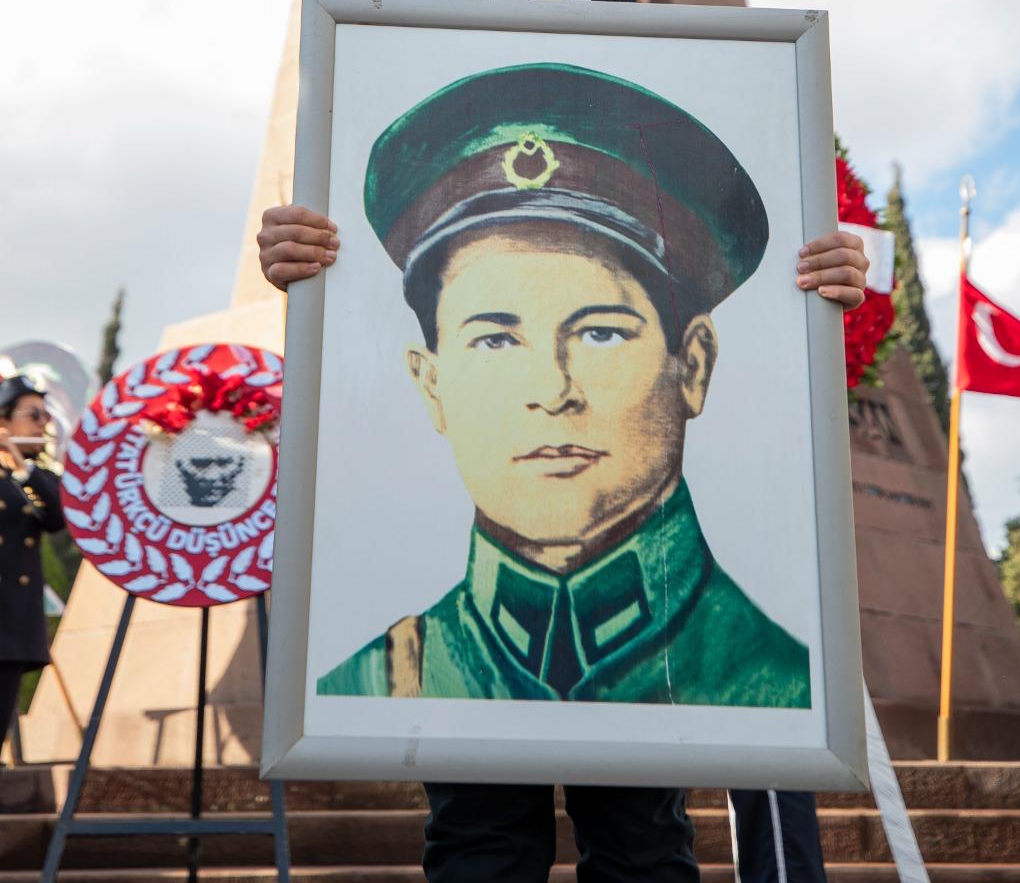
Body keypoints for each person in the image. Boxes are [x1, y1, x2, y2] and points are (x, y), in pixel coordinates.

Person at [257, 0, 870, 882]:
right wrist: (308, 256)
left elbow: (789, 288)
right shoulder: (385, 670)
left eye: (598, 328)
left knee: (644, 846)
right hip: (452, 690)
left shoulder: (765, 668)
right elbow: (338, 295)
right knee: (477, 845)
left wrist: (826, 278)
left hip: (685, 672)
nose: (550, 389)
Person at [317, 60, 810, 710]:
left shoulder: (779, 692)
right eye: (494, 340)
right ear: (432, 386)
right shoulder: (368, 689)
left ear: (692, 366)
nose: (552, 391)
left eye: (601, 332)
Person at [0, 374, 65, 755]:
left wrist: (24, 467)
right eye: (33, 415)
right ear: (4, 421)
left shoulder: (33, 478)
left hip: (13, 630)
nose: (43, 424)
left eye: (45, 416)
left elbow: (55, 518)